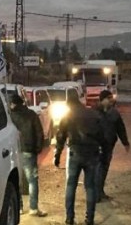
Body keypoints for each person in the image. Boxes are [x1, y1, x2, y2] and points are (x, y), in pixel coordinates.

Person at [55, 95, 108, 225]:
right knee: (90, 186)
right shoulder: (93, 114)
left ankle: (69, 218)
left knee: (71, 185)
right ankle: (89, 219)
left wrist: (57, 154)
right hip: (92, 154)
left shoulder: (68, 116)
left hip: (75, 152)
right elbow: (102, 136)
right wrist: (104, 154)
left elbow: (61, 135)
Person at [9, 94, 47, 217]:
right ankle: (33, 208)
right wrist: (38, 148)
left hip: (14, 152)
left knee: (17, 181)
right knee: (32, 180)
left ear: (13, 104)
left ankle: (19, 208)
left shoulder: (10, 116)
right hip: (29, 151)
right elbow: (39, 132)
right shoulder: (31, 114)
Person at [96, 90, 130, 202]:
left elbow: (120, 128)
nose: (111, 100)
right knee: (97, 169)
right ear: (102, 99)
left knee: (104, 168)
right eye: (108, 98)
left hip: (109, 145)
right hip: (96, 146)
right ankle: (95, 193)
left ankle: (100, 191)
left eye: (111, 98)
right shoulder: (94, 112)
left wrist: (125, 142)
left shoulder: (114, 113)